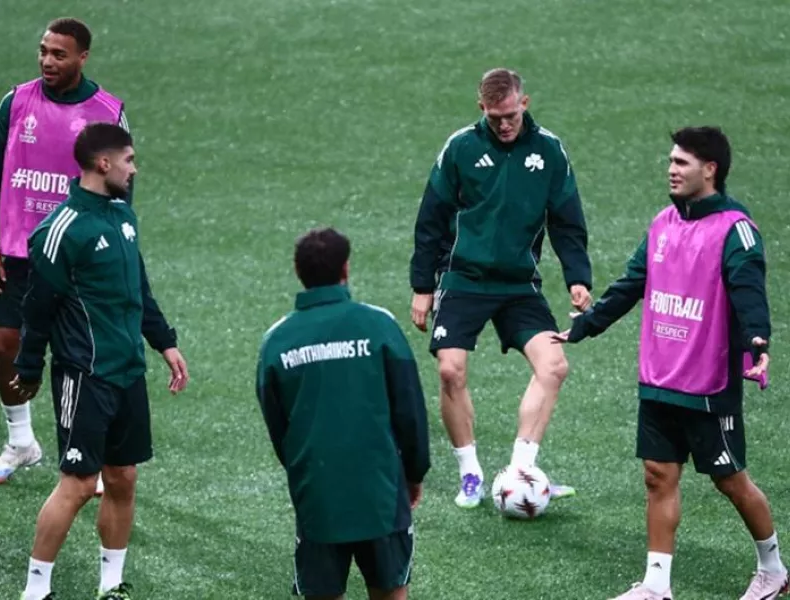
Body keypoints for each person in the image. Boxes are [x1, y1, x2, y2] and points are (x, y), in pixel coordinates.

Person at [554, 126, 787, 600]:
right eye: (671, 161)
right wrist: (585, 326)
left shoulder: (735, 229)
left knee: (729, 479)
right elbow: (631, 283)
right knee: (657, 476)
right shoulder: (663, 223)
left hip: (707, 382)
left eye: (681, 162)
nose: (671, 169)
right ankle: (657, 585)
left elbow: (748, 290)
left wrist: (758, 341)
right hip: (660, 377)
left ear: (710, 169)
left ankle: (774, 568)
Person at [12, 123, 189, 600]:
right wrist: (29, 367)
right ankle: (36, 590)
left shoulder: (123, 216)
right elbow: (38, 306)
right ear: (103, 163)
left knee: (123, 477)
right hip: (85, 374)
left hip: (128, 371)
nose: (134, 169)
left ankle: (111, 585)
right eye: (128, 160)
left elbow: (138, 289)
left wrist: (164, 342)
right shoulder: (62, 230)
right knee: (77, 482)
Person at [409, 67, 592, 508]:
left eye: (511, 115)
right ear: (482, 109)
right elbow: (431, 218)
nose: (505, 125)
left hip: (518, 284)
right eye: (495, 118)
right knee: (450, 370)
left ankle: (520, 471)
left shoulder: (549, 151)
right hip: (464, 278)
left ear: (524, 103)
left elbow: (567, 220)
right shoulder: (461, 148)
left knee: (554, 366)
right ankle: (470, 473)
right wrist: (422, 285)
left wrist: (578, 277)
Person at [0, 18, 139, 491]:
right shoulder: (16, 102)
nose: (47, 61)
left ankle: (88, 456)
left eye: (59, 54)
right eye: (43, 51)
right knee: (5, 344)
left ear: (82, 57)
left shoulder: (107, 111)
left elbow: (123, 186)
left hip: (81, 254)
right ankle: (20, 441)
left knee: (81, 355)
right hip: (21, 250)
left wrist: (116, 247)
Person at [257, 227, 430, 600]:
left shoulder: (277, 341)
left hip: (317, 497)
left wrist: (305, 471)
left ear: (298, 271)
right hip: (381, 493)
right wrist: (414, 473)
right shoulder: (379, 326)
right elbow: (410, 410)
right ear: (345, 269)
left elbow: (278, 427)